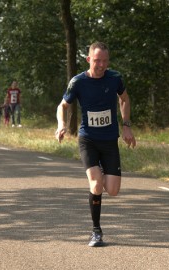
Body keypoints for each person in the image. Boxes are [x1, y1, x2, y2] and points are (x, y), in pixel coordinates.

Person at [55, 41, 136, 247]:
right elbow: (62, 105)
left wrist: (126, 125)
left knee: (113, 190)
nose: (101, 65)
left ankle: (99, 174)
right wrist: (61, 124)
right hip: (88, 139)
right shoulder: (78, 81)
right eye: (97, 60)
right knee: (96, 183)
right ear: (88, 59)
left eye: (105, 61)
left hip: (109, 140)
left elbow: (124, 99)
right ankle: (96, 232)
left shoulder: (115, 78)